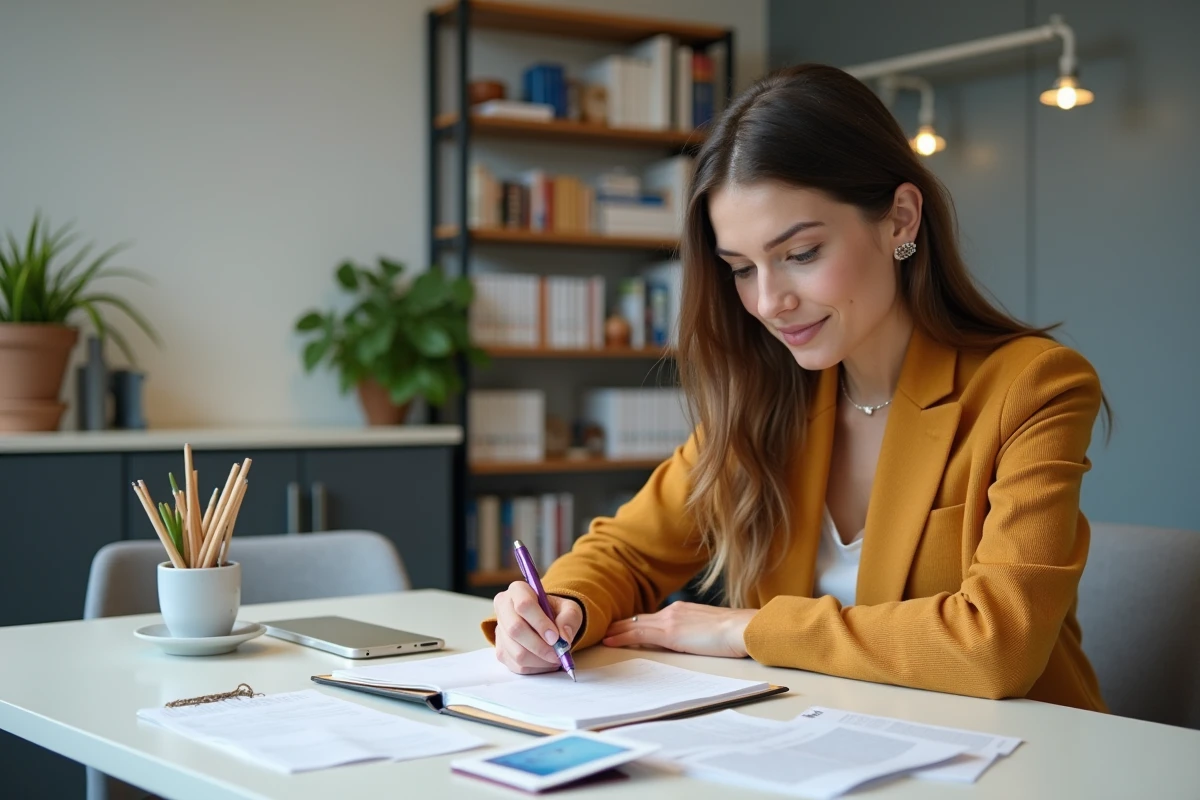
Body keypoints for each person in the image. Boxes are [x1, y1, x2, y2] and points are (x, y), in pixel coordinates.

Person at [483, 63, 1111, 711]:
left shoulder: (1032, 385)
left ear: (899, 219)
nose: (768, 302)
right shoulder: (768, 396)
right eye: (740, 269)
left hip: (1021, 753)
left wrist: (743, 629)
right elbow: (627, 551)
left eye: (801, 254)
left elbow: (998, 645)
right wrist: (563, 610)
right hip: (820, 742)